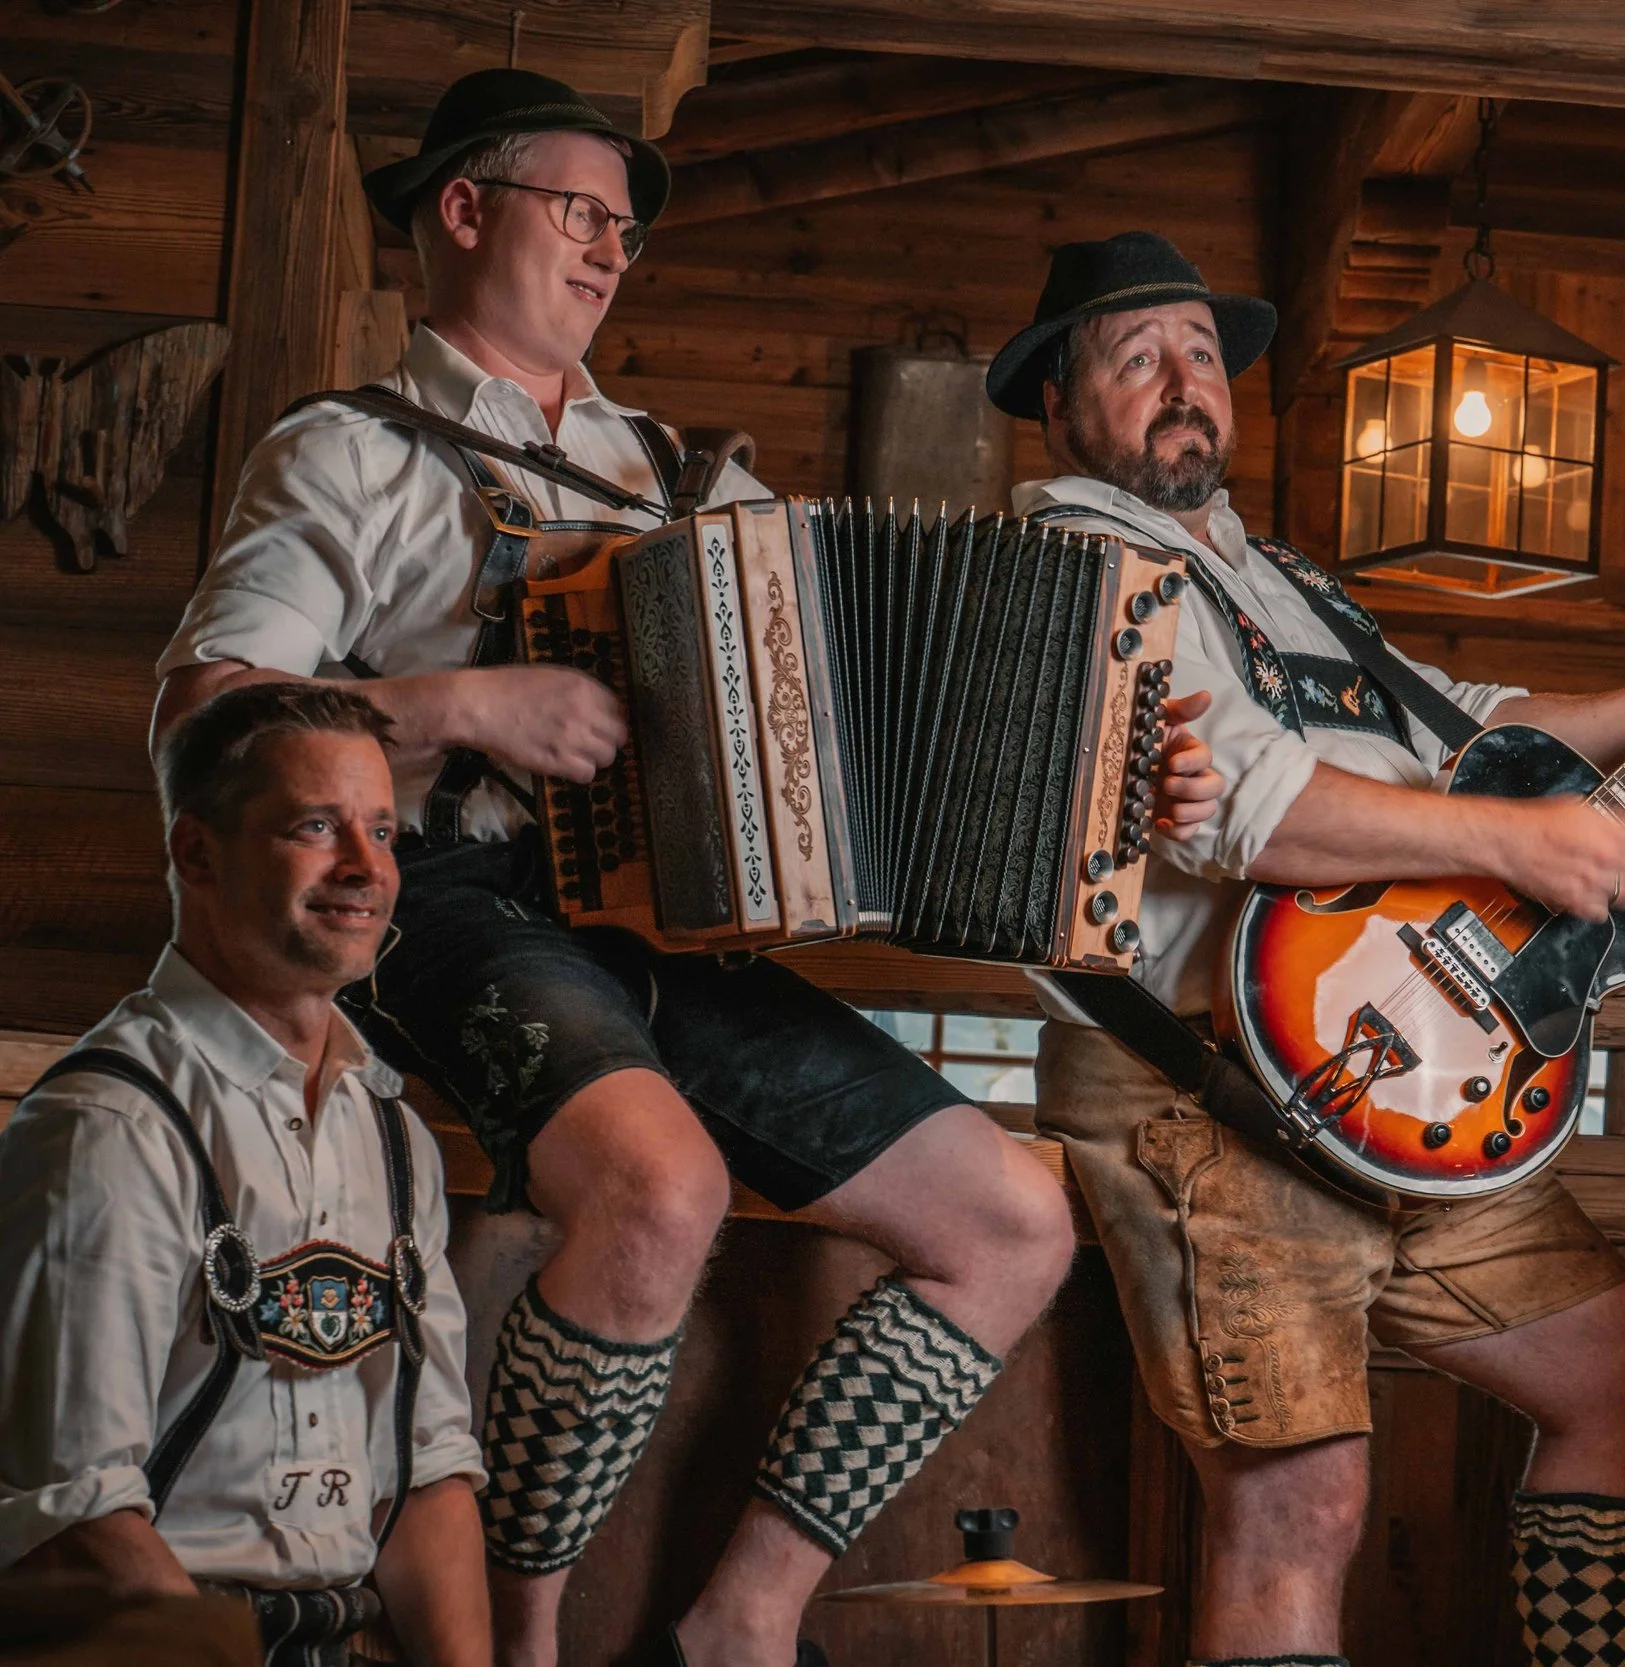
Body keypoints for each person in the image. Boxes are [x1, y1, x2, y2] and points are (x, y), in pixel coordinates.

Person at [151, 70, 1075, 1667]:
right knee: (661, 1188)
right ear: (465, 208)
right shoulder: (347, 452)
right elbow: (205, 716)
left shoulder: (675, 474)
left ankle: (741, 1621)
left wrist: (1072, 747)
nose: (609, 252)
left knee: (1014, 1219)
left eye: (627, 233)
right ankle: (512, 1641)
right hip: (451, 898)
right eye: (583, 212)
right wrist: (461, 705)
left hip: (671, 921)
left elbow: (835, 680)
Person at [990, 230, 1625, 1667]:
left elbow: (1469, 727)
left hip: (1399, 1082)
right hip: (1206, 1094)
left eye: (1202, 351)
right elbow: (1244, 810)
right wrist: (1520, 844)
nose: (1185, 382)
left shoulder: (1278, 574)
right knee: (1299, 1498)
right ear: (1059, 409)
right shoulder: (1072, 561)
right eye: (1137, 358)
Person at [0, 683, 488, 1666]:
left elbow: (425, 1476)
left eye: (381, 831)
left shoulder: (394, 1135)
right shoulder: (110, 1128)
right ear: (197, 852)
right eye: (316, 826)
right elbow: (70, 1520)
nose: (366, 867)